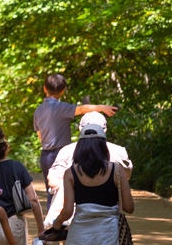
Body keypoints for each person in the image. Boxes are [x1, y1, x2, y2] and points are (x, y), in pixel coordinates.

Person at [33, 73, 118, 207]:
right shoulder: (62, 108)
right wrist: (102, 108)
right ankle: (70, 222)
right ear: (63, 91)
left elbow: (40, 136)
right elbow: (82, 109)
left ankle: (52, 223)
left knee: (51, 192)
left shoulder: (38, 111)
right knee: (69, 190)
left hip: (45, 156)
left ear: (44, 88)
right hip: (62, 155)